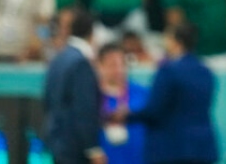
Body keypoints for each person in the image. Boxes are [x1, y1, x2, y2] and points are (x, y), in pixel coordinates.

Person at [124, 23, 218, 164]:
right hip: (202, 148)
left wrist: (126, 116)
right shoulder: (206, 72)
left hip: (172, 149)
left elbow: (154, 111)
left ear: (176, 41)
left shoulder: (168, 72)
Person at [44, 9, 105, 164]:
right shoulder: (81, 64)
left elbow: (47, 101)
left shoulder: (58, 59)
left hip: (58, 143)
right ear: (91, 33)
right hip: (75, 148)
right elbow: (84, 109)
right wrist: (93, 148)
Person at [99, 42, 148, 163]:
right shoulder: (93, 97)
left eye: (122, 64)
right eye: (112, 65)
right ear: (100, 66)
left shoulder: (142, 93)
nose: (118, 69)